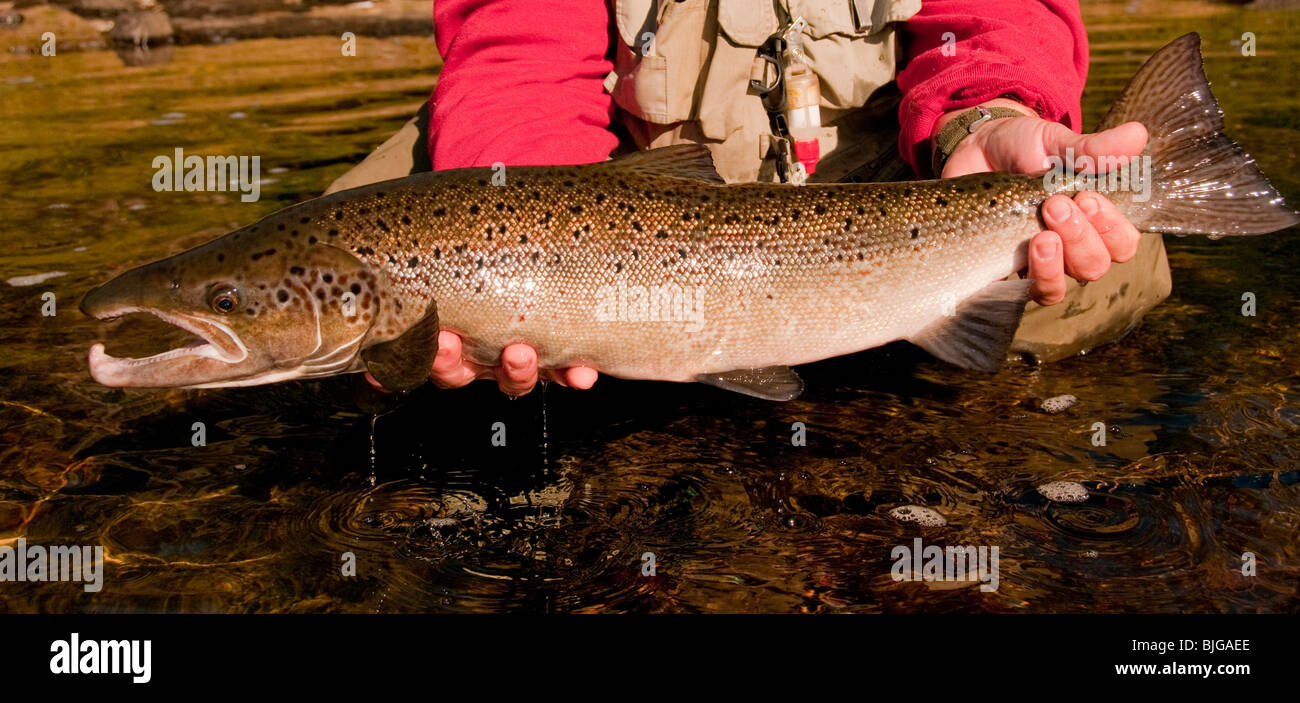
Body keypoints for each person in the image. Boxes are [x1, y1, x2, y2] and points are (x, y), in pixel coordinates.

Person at [334, 0, 1170, 396]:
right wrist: (538, 272)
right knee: (368, 307)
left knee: (1106, 246)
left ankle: (911, 326)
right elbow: (523, 53)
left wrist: (989, 117)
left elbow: (995, 18)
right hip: (623, 170)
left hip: (895, 167)